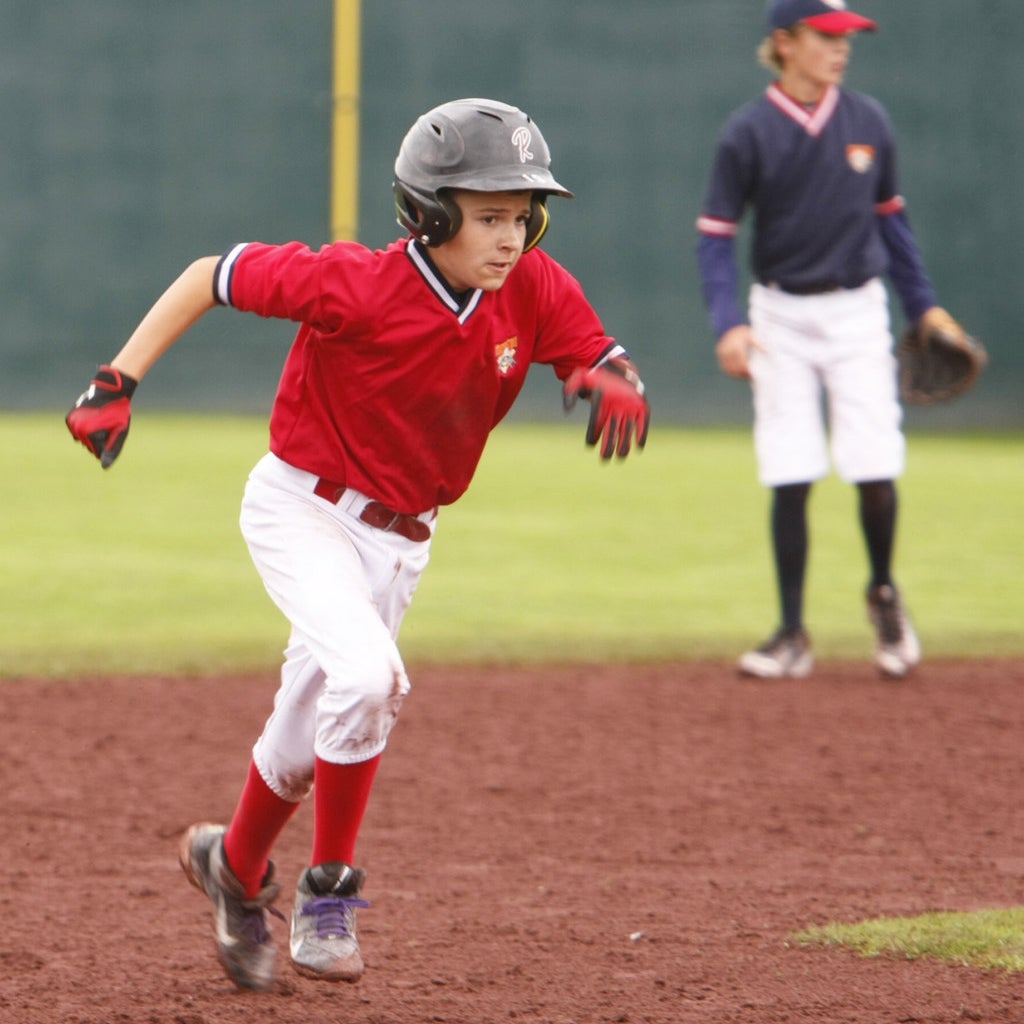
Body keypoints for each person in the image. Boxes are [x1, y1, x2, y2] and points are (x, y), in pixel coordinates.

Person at [66, 98, 649, 992]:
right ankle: (328, 896)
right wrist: (116, 381)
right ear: (430, 212)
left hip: (402, 543)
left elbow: (589, 348)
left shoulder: (528, 284)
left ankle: (233, 865)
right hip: (303, 510)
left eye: (523, 214)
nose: (511, 234)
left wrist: (610, 374)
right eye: (489, 214)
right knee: (370, 678)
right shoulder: (356, 283)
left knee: (308, 735)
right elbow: (208, 274)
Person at [695, 0, 968, 680]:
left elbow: (893, 227)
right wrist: (729, 322)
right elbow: (716, 237)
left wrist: (926, 310)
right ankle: (792, 632)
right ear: (785, 43)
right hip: (781, 314)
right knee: (789, 470)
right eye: (827, 36)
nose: (842, 49)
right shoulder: (749, 131)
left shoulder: (868, 120)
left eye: (848, 37)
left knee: (874, 462)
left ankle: (883, 593)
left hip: (856, 310)